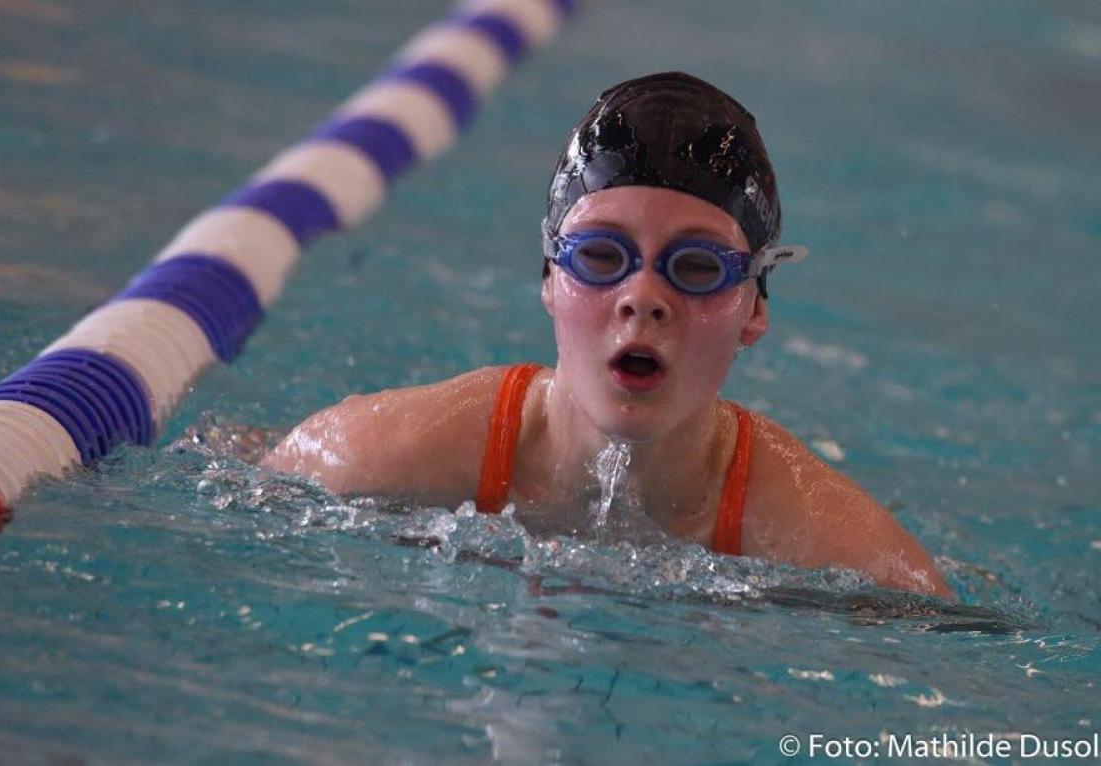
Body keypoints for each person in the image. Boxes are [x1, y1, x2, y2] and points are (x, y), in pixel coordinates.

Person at [262, 72, 952, 599]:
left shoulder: (838, 547)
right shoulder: (374, 456)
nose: (643, 300)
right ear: (548, 281)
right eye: (600, 256)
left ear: (754, 311)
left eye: (697, 267)